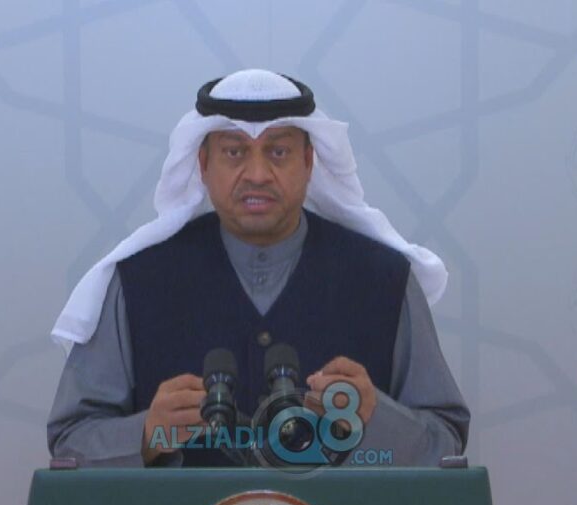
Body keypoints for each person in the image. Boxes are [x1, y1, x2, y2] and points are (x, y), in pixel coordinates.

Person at [48, 69, 469, 467]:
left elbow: (446, 444)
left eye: (278, 152)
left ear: (309, 162)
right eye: (234, 153)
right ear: (203, 165)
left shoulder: (384, 279)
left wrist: (377, 418)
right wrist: (145, 434)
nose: (257, 174)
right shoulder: (138, 280)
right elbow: (70, 444)